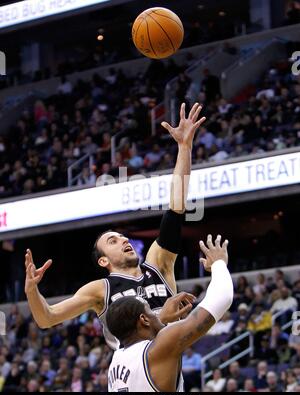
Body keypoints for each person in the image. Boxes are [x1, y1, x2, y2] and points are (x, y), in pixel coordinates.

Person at [24, 103, 206, 350]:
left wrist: (184, 148)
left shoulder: (158, 265)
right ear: (103, 261)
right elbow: (47, 318)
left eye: (122, 237)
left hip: (170, 366)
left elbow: (175, 209)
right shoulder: (100, 289)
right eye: (113, 241)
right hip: (130, 370)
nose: (123, 240)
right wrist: (32, 291)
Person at [106, 234, 233, 392]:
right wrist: (219, 263)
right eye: (151, 311)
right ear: (144, 320)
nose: (157, 314)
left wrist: (161, 322)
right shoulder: (159, 348)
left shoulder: (116, 361)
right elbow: (222, 298)